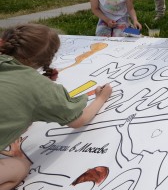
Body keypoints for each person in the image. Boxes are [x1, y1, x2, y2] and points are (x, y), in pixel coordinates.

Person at [0, 23, 113, 189]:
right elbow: (78, 120)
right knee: (20, 167)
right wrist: (101, 98)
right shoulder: (37, 86)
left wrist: (41, 83)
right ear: (45, 60)